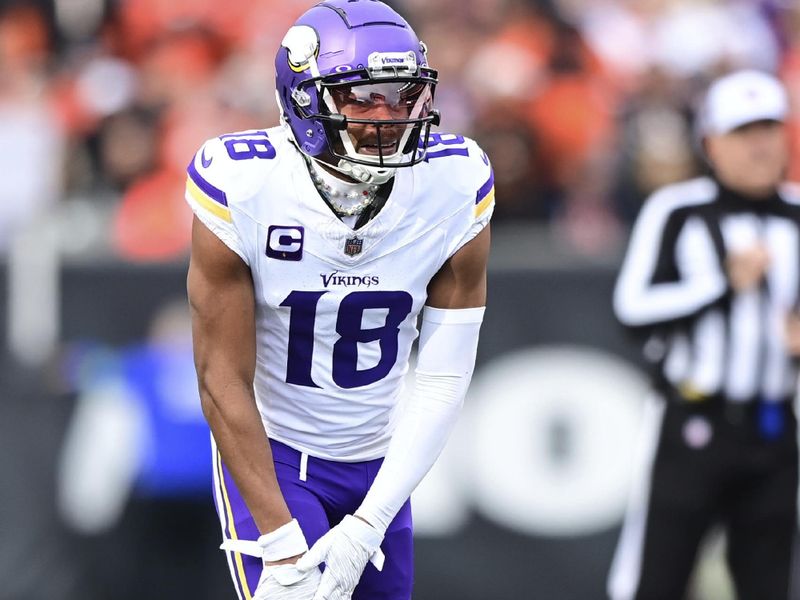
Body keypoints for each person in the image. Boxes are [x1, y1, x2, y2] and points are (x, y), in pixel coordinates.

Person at [185, 2, 494, 599]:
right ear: (305, 101)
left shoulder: (454, 184)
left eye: (403, 96)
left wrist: (373, 518)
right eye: (362, 98)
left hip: (381, 458)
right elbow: (220, 377)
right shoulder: (246, 185)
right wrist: (278, 541)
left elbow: (441, 377)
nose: (388, 117)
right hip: (276, 452)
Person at [607, 69, 800, 600]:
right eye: (744, 132)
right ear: (711, 142)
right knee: (656, 579)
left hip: (776, 429)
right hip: (693, 423)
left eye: (769, 129)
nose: (760, 145)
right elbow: (631, 311)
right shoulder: (678, 210)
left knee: (771, 583)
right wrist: (721, 284)